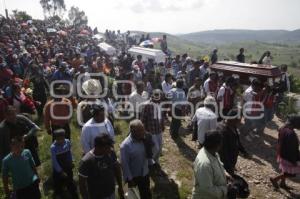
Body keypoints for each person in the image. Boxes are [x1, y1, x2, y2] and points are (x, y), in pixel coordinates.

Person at [79, 135, 124, 199]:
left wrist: (120, 186)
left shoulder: (110, 153)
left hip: (111, 193)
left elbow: (117, 168)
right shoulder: (86, 161)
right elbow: (82, 185)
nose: (110, 149)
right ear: (98, 147)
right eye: (107, 148)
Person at [192, 130, 232, 199]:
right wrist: (226, 190)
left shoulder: (212, 152)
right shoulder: (205, 164)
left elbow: (219, 166)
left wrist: (226, 174)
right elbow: (207, 189)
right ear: (218, 145)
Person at [120, 120, 152, 199]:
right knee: (132, 196)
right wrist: (130, 180)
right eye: (141, 130)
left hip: (144, 173)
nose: (143, 132)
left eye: (143, 129)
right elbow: (125, 165)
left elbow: (149, 153)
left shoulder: (144, 139)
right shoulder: (125, 146)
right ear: (133, 132)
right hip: (133, 176)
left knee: (146, 195)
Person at [270, 115, 300, 190]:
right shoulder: (291, 134)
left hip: (282, 154)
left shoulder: (283, 129)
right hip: (288, 156)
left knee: (285, 169)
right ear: (295, 124)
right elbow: (291, 149)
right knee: (290, 173)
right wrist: (294, 160)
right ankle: (275, 179)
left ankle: (282, 183)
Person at [217, 110, 248, 175]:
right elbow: (223, 153)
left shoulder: (232, 125)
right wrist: (228, 166)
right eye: (239, 119)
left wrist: (243, 151)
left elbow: (237, 140)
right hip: (225, 162)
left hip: (232, 158)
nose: (240, 121)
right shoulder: (222, 131)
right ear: (233, 119)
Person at [51, 129, 78, 199]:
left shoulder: (67, 142)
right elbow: (54, 161)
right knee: (58, 182)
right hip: (58, 169)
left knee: (69, 180)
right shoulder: (53, 147)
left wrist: (72, 161)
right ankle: (58, 193)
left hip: (67, 166)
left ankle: (73, 193)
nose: (60, 141)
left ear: (64, 136)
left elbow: (69, 152)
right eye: (58, 139)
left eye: (62, 138)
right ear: (55, 138)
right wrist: (60, 171)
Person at [140, 89, 164, 165]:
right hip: (150, 131)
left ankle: (156, 162)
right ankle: (149, 163)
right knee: (155, 148)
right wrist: (144, 132)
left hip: (158, 130)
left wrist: (162, 125)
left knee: (160, 148)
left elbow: (161, 116)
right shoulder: (147, 105)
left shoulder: (160, 104)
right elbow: (142, 120)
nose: (159, 98)